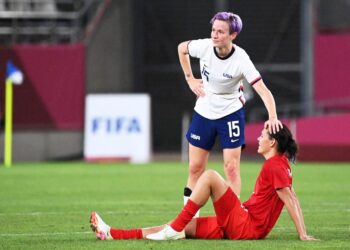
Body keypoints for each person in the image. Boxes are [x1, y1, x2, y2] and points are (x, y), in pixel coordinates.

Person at [90, 124, 318, 241]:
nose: (258, 138)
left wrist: (302, 234)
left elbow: (288, 198)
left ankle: (175, 228)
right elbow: (293, 196)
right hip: (243, 220)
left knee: (209, 176)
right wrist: (303, 231)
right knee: (183, 227)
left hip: (246, 226)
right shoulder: (281, 164)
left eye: (263, 135)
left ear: (273, 142)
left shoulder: (274, 165)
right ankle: (112, 233)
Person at [177, 12, 283, 206]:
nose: (215, 35)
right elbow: (181, 48)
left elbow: (262, 89)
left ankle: (233, 220)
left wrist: (273, 116)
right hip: (204, 110)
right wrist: (189, 78)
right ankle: (187, 221)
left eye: (221, 31)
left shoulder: (241, 59)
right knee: (195, 168)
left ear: (233, 35)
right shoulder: (205, 46)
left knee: (232, 168)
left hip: (230, 113)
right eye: (213, 30)